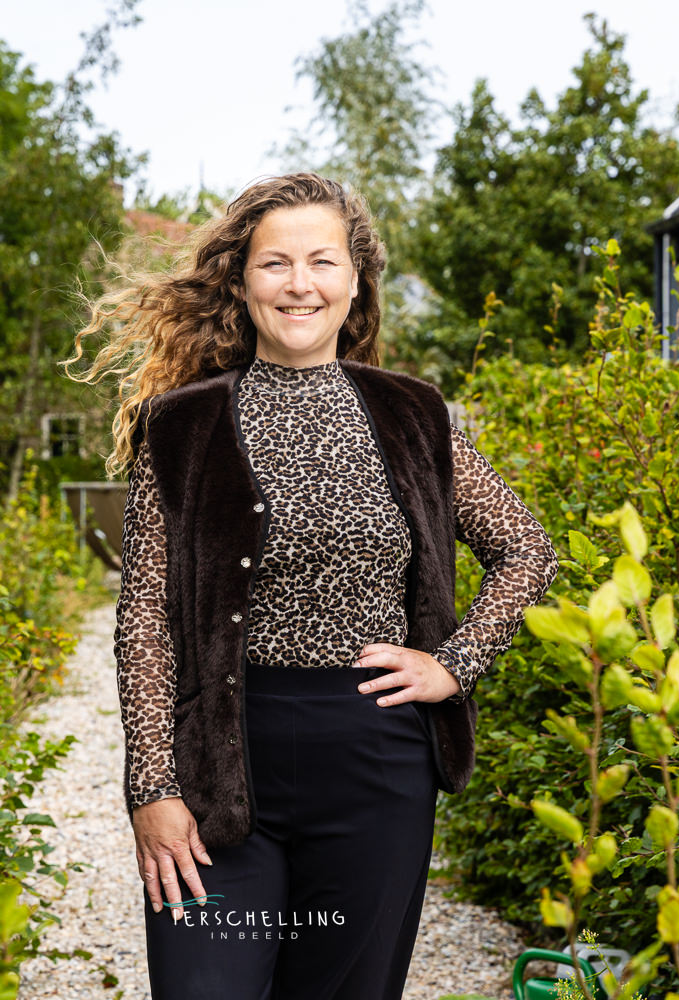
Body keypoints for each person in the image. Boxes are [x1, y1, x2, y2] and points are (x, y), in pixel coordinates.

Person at [63, 173, 559, 1000]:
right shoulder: (182, 425)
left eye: (322, 262)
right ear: (241, 281)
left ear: (356, 279)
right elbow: (145, 614)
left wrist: (453, 664)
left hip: (375, 771)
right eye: (276, 264)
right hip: (221, 768)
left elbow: (527, 550)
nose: (300, 284)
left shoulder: (414, 416)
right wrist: (150, 786)